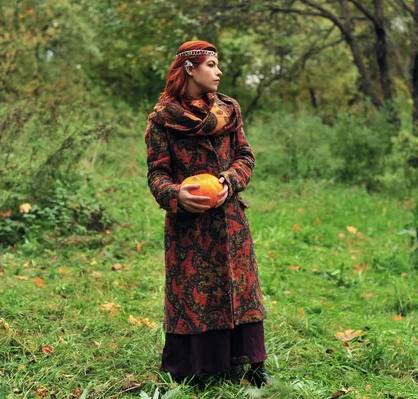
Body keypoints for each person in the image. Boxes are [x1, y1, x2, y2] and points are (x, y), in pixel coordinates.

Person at [144, 40, 271, 388]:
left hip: (230, 218)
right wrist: (176, 195)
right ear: (190, 69)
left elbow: (245, 156)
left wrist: (230, 181)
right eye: (211, 64)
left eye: (218, 65)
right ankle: (194, 368)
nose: (219, 72)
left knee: (240, 289)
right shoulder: (163, 119)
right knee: (192, 293)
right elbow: (157, 173)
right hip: (189, 225)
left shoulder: (229, 110)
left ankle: (252, 365)